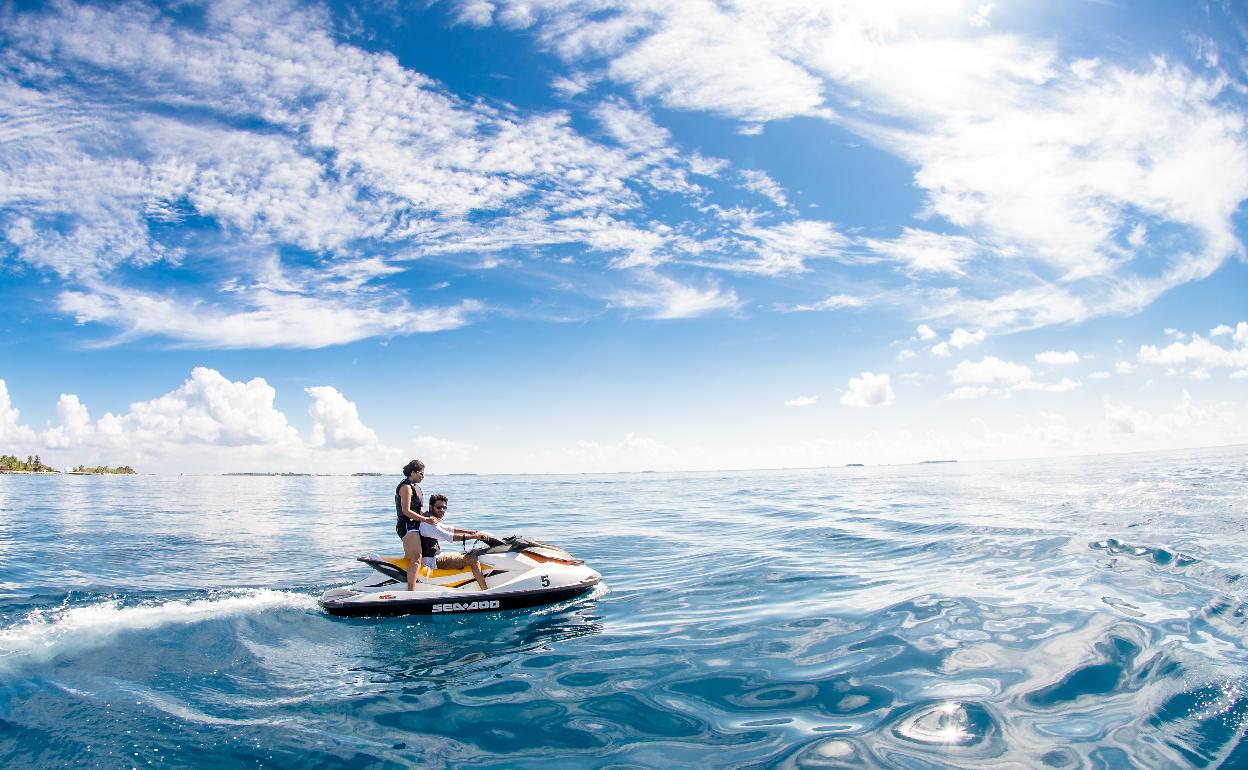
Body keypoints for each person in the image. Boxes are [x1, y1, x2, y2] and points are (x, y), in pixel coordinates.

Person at [418, 494, 499, 590]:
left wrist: (468, 531)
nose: (442, 510)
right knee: (472, 559)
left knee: (466, 553)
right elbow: (449, 536)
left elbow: (448, 529)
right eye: (439, 507)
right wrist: (474, 536)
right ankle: (485, 591)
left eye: (444, 507)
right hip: (432, 561)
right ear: (431, 507)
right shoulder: (428, 523)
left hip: (435, 556)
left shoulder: (429, 518)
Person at [395, 459, 438, 591]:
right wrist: (425, 520)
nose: (423, 476)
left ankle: (413, 581)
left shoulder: (415, 487)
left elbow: (417, 509)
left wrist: (431, 517)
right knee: (416, 557)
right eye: (421, 473)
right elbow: (406, 511)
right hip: (407, 526)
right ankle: (411, 591)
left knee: (417, 556)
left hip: (415, 525)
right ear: (412, 472)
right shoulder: (406, 487)